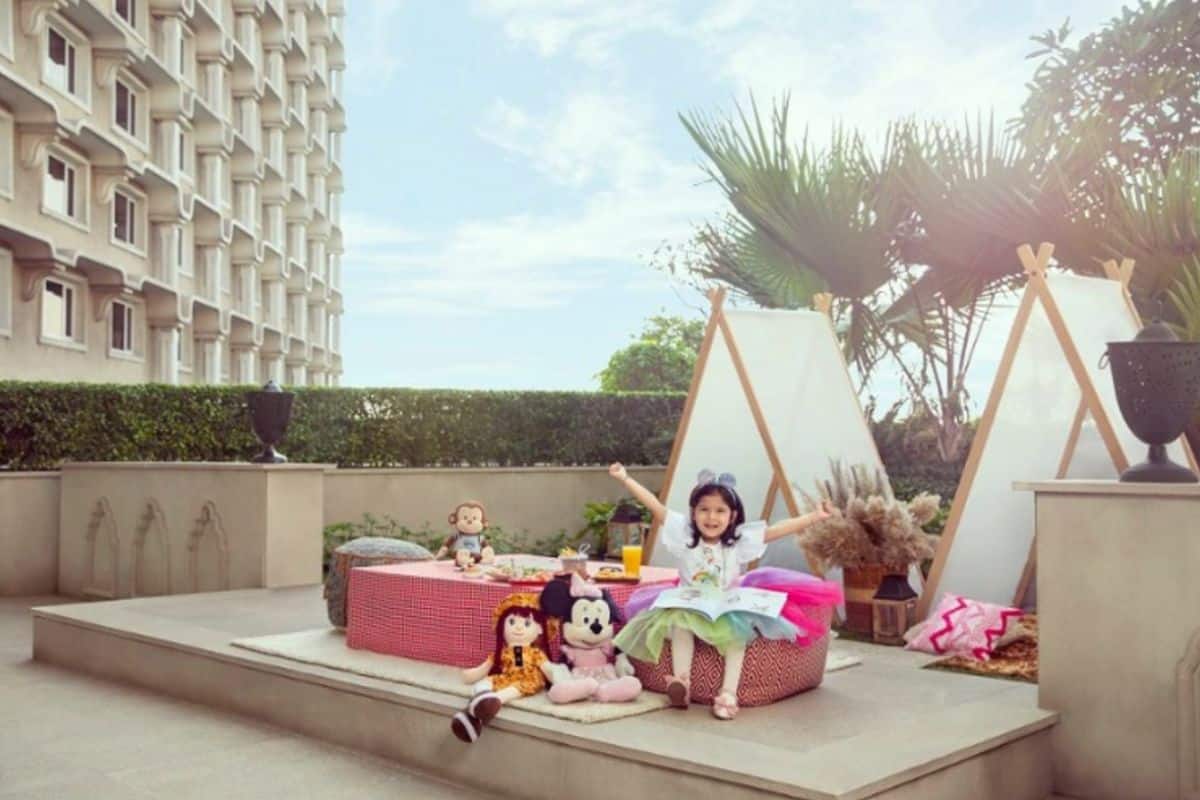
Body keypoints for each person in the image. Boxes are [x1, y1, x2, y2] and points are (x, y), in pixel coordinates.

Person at [609, 462, 842, 720]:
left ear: (732, 516)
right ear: (693, 513)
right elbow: (655, 506)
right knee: (680, 627)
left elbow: (777, 530)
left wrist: (815, 517)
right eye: (704, 510)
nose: (711, 517)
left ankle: (728, 694)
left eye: (720, 511)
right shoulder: (685, 537)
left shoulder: (738, 541)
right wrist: (625, 478)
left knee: (736, 637)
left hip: (726, 604)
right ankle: (681, 683)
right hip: (689, 603)